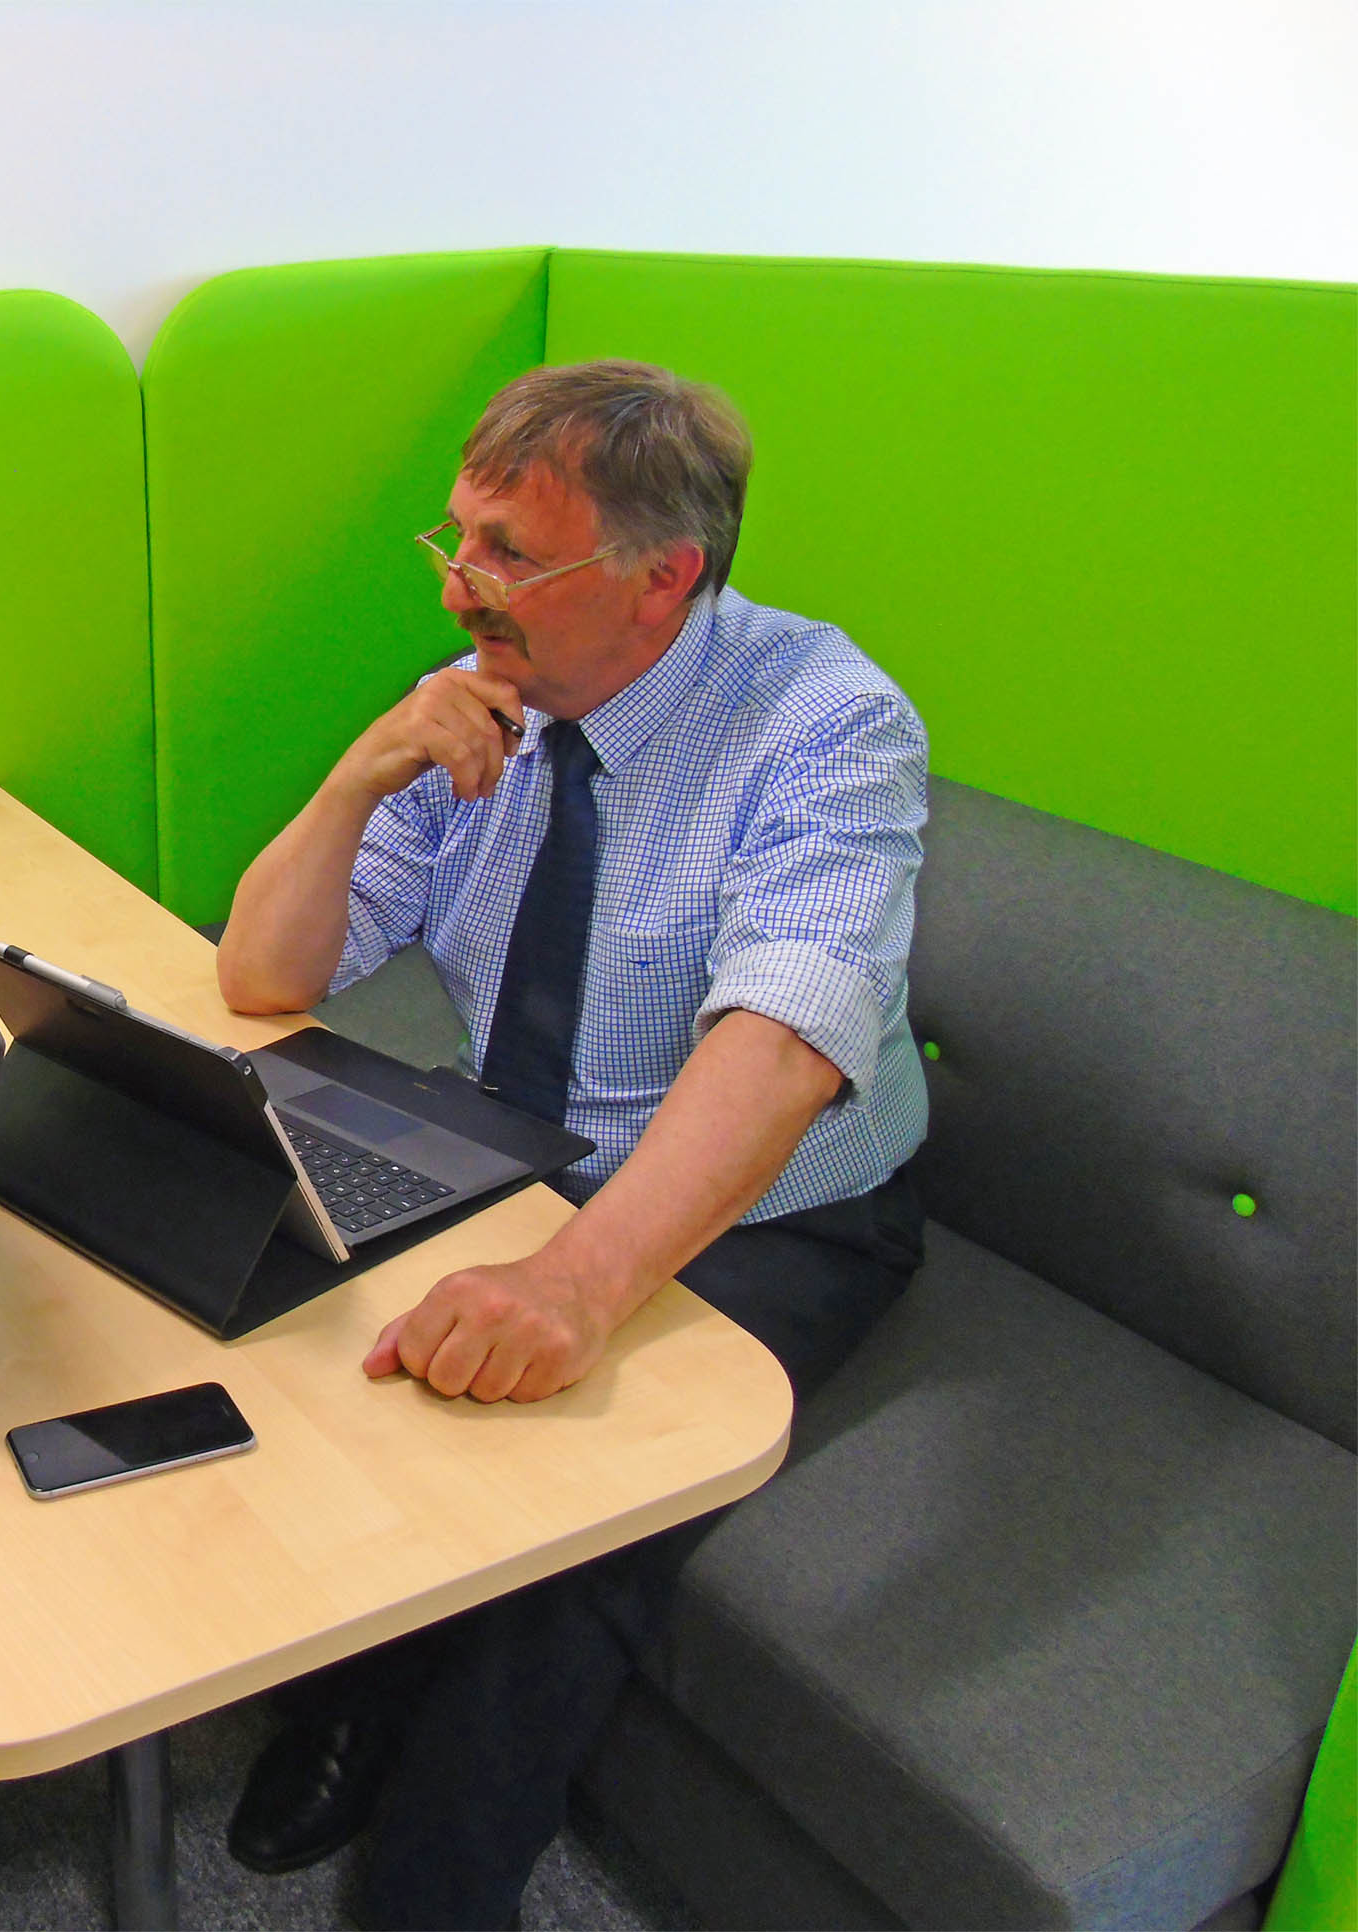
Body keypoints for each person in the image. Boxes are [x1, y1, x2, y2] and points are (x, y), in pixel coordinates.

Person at [215, 361, 930, 1926]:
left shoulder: (824, 722)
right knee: (256, 1290)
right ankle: (345, 1701)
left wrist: (581, 1285)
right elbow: (264, 976)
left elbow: (788, 1038)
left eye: (509, 555)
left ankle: (435, 1888)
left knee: (583, 1515)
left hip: (772, 1208)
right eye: (454, 540)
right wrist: (360, 772)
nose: (465, 585)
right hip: (513, 1144)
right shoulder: (481, 698)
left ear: (661, 575)